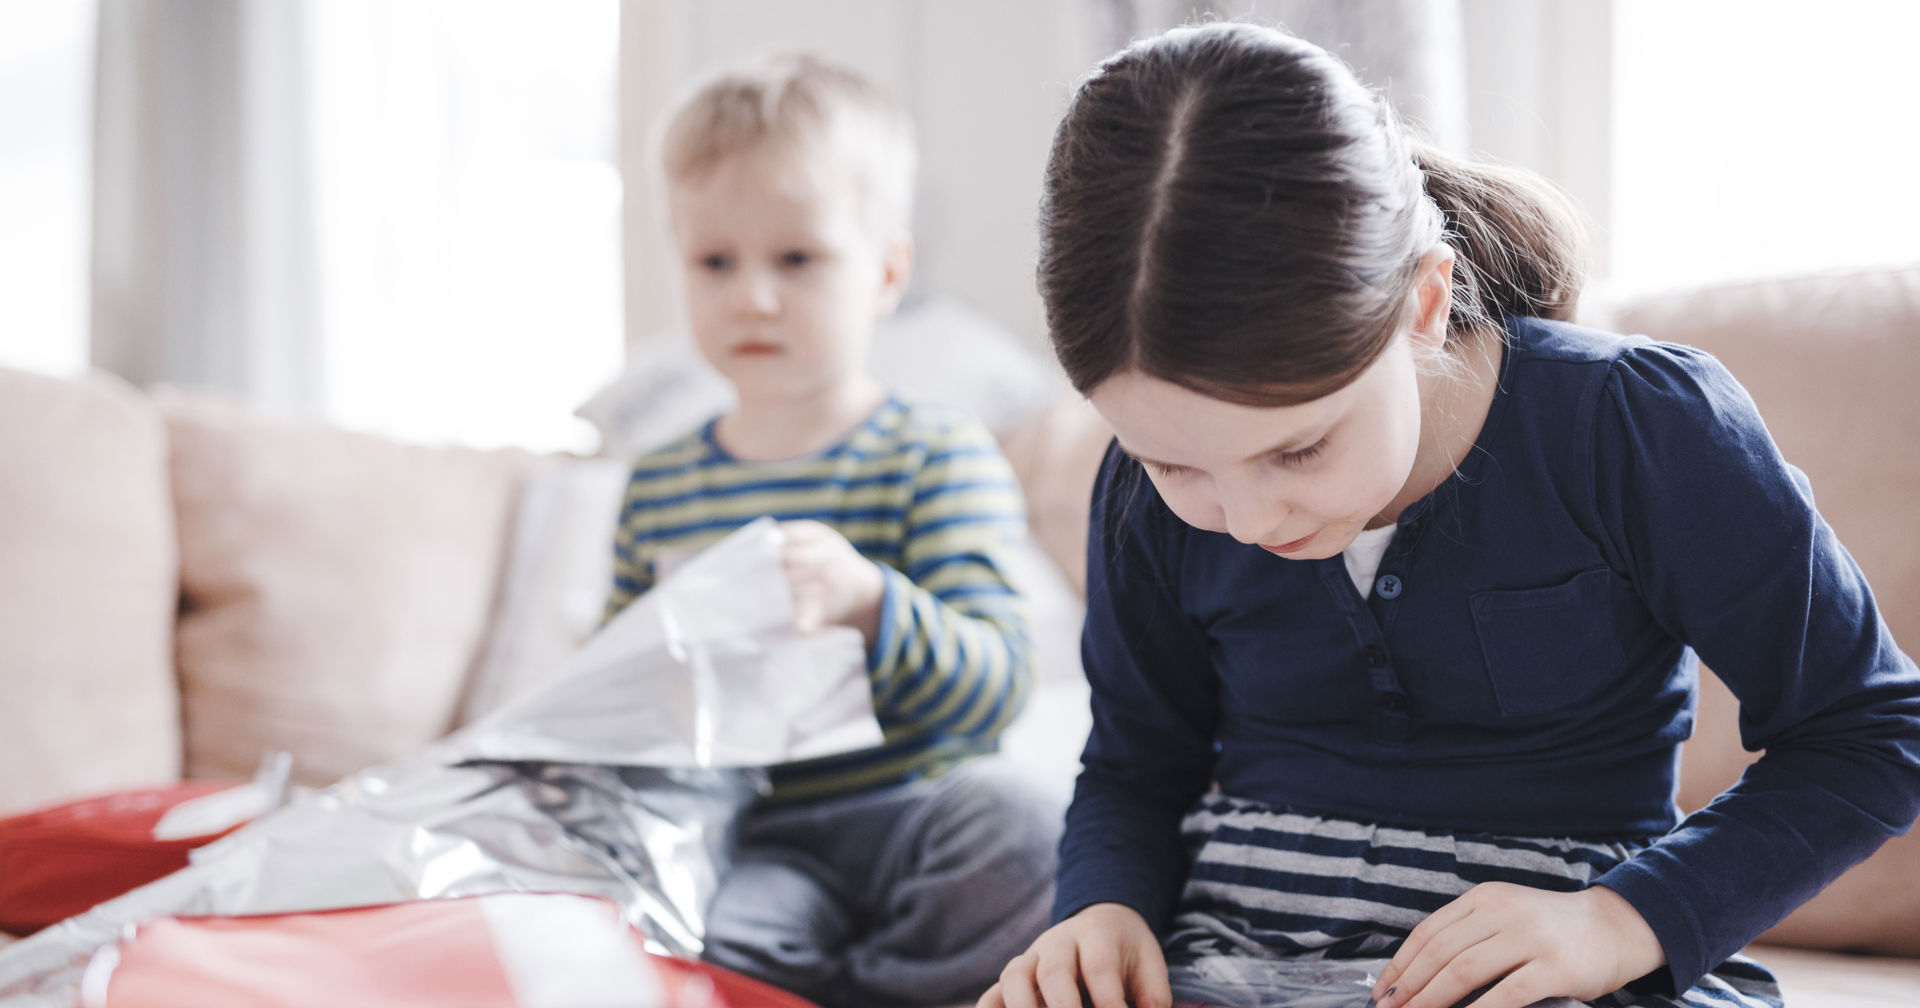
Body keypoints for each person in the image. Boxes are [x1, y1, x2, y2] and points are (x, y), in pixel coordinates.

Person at [980, 21, 1920, 1008]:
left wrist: (1619, 920)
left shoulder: (1633, 426)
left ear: (1424, 305)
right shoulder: (1135, 493)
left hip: (1568, 962)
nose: (1248, 519)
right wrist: (1102, 908)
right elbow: (1135, 763)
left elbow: (1871, 730)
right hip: (1236, 956)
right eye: (1173, 462)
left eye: (1298, 447)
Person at [605, 53, 1057, 1008]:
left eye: (798, 259)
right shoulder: (659, 486)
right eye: (715, 262)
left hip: (920, 814)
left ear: (887, 272)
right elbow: (623, 696)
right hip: (760, 839)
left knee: (1023, 827)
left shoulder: (936, 455)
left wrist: (871, 603)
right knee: (704, 939)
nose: (753, 297)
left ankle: (873, 987)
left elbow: (998, 687)